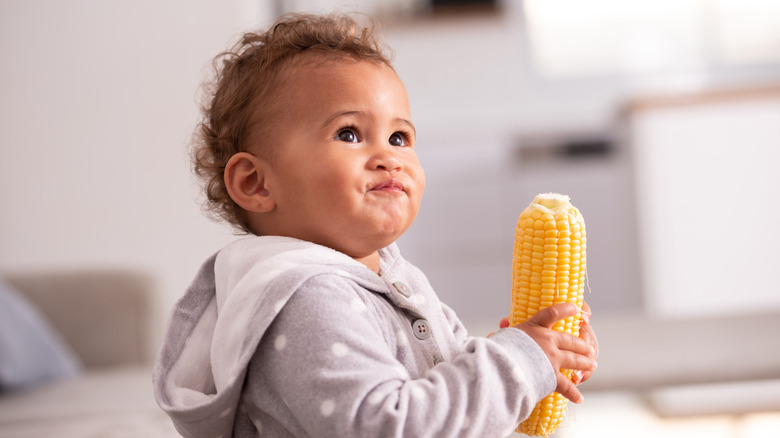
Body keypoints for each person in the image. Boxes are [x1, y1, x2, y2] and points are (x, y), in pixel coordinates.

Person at [153, 12, 597, 438]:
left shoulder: (394, 276)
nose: (390, 157)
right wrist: (514, 363)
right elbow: (387, 427)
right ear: (256, 183)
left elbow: (441, 385)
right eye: (348, 133)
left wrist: (534, 355)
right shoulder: (304, 301)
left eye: (399, 137)